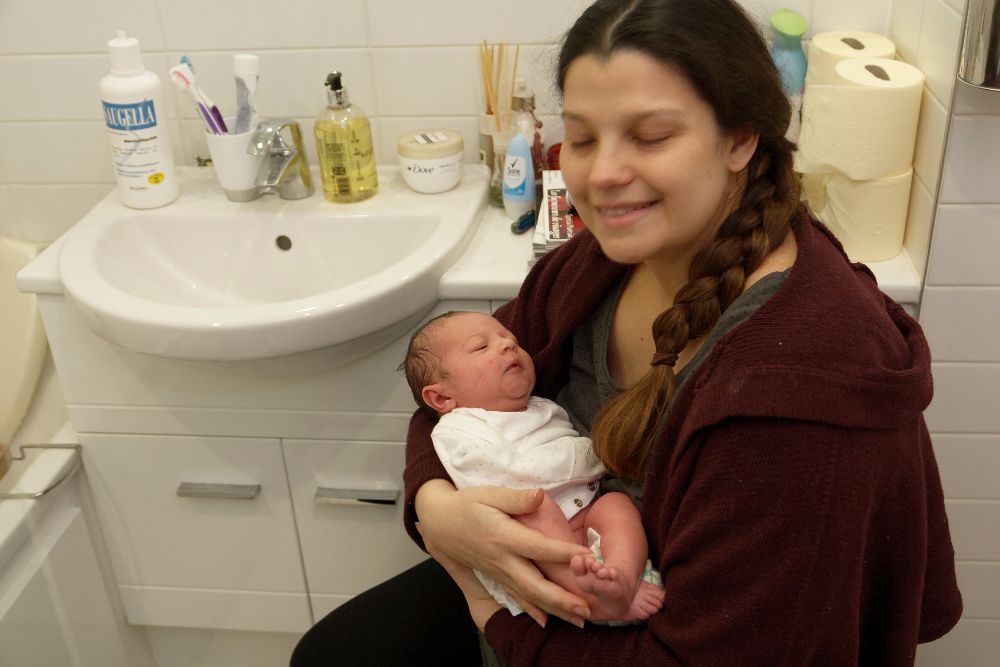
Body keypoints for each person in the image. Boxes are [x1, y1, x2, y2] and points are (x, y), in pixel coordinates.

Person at [291, 0, 962, 664]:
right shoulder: (600, 264)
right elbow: (452, 389)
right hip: (552, 595)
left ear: (740, 139)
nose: (603, 174)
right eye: (583, 139)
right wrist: (437, 506)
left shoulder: (798, 395)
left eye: (651, 136)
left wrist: (488, 609)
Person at [402, 310, 665, 623]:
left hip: (587, 507)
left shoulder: (542, 406)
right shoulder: (460, 427)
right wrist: (588, 455)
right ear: (441, 397)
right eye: (481, 347)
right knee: (537, 511)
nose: (508, 345)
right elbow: (507, 477)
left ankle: (621, 575)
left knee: (616, 504)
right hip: (531, 533)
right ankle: (591, 602)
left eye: (511, 339)